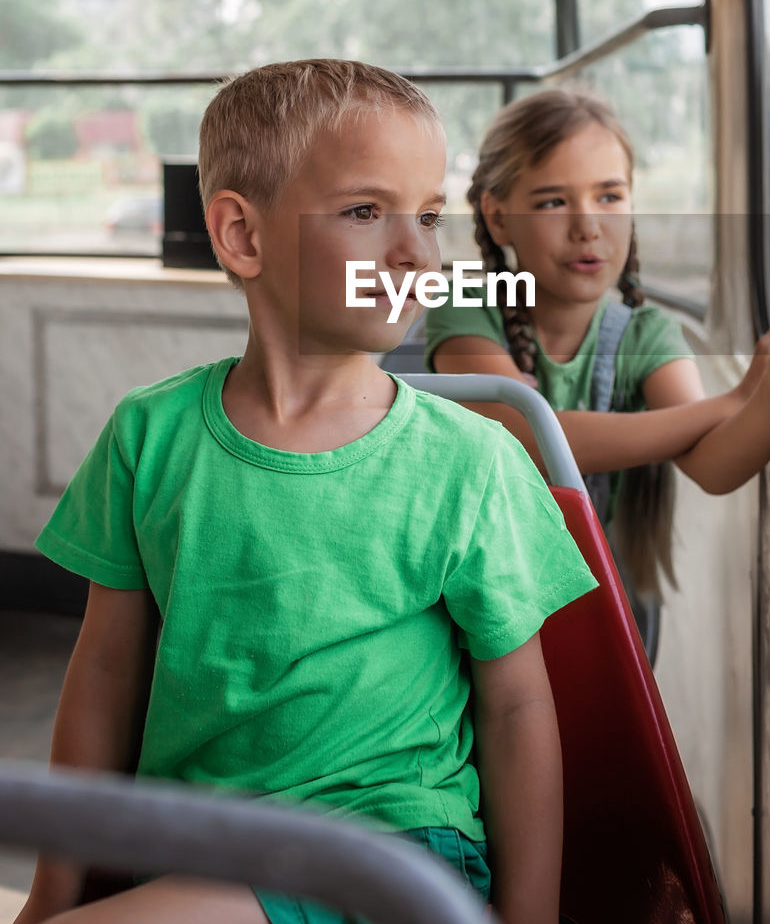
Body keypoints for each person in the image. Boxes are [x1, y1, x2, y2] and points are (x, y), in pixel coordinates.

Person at [17, 61, 597, 924]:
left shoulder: (471, 462)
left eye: (429, 216)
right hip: (198, 845)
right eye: (367, 212)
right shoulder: (149, 437)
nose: (416, 251)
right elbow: (104, 669)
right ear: (243, 238)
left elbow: (516, 705)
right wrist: (51, 893)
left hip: (386, 856)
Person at [425, 88, 770, 602]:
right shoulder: (466, 303)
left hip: (607, 600)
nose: (588, 227)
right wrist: (735, 400)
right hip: (478, 596)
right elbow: (526, 434)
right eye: (553, 202)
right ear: (498, 217)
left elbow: (713, 466)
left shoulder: (648, 333)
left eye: (609, 196)